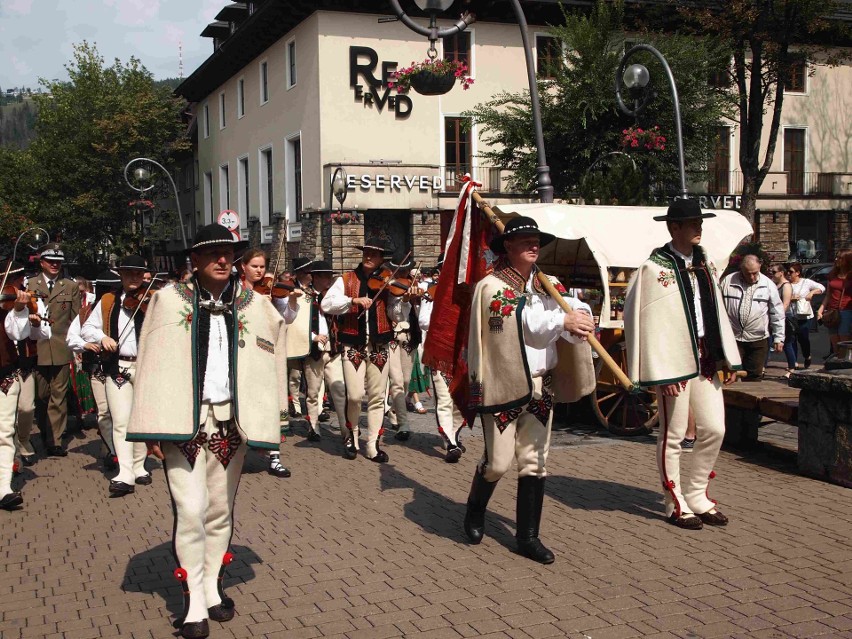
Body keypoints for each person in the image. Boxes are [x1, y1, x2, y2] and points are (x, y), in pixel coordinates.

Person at [127, 224, 288, 639]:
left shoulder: (253, 303)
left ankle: (213, 588)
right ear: (194, 260)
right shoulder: (167, 301)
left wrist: (269, 415)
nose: (222, 259)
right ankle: (193, 601)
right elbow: (151, 364)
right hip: (184, 425)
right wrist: (151, 428)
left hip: (232, 424)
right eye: (211, 253)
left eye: (227, 253)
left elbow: (274, 350)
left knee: (219, 512)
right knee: (191, 510)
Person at [463, 216, 596, 564]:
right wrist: (562, 320)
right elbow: (530, 328)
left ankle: (528, 537)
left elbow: (572, 310)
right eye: (525, 241)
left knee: (535, 462)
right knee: (497, 463)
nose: (534, 245)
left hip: (542, 383)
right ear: (507, 246)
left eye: (537, 240)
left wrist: (580, 317)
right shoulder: (492, 288)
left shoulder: (549, 283)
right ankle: (475, 507)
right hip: (503, 384)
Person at [624, 199, 741, 530]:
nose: (699, 227)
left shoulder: (705, 264)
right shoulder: (654, 269)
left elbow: (715, 312)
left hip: (705, 357)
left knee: (715, 428)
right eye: (692, 222)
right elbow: (646, 322)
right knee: (673, 435)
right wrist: (659, 372)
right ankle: (674, 501)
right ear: (674, 228)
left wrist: (725, 357)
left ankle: (698, 495)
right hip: (672, 363)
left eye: (699, 221)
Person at [321, 237, 411, 462]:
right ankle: (351, 435)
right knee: (354, 396)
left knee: (378, 397)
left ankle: (372, 444)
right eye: (367, 252)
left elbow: (395, 315)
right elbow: (326, 304)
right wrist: (353, 301)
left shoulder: (389, 280)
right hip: (354, 344)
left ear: (382, 258)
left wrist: (404, 301)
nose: (369, 257)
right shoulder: (347, 278)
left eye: (375, 254)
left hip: (380, 344)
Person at [81, 256, 154, 497]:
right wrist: (102, 337)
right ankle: (125, 472)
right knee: (121, 421)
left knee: (141, 421)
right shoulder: (108, 300)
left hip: (146, 367)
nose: (134, 277)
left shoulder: (154, 298)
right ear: (120, 274)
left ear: (144, 274)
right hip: (118, 366)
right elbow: (87, 328)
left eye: (138, 273)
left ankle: (140, 466)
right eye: (128, 273)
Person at [238, 247, 299, 477]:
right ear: (243, 267)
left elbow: (288, 319)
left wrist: (290, 300)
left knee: (272, 403)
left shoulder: (273, 291)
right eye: (254, 266)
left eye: (262, 267)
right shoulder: (236, 292)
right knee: (245, 404)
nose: (259, 271)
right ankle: (240, 453)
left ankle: (274, 457)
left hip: (268, 353)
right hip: (244, 354)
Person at [2, 261, 50, 509]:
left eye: (20, 277)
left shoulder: (23, 299)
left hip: (19, 366)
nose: (19, 283)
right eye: (14, 277)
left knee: (21, 413)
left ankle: (22, 443)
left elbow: (28, 335)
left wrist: (28, 318)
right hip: (10, 365)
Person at [27, 243, 81, 457]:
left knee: (58, 396)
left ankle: (55, 441)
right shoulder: (29, 284)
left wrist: (77, 347)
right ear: (42, 262)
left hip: (61, 347)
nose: (55, 265)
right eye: (51, 261)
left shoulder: (70, 286)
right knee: (41, 396)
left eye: (58, 262)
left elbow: (76, 319)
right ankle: (44, 431)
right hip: (37, 349)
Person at [418, 255, 466, 462]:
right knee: (444, 398)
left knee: (460, 398)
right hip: (440, 351)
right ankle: (450, 443)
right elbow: (423, 321)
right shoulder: (432, 293)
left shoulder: (465, 292)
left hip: (462, 352)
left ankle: (454, 433)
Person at [300, 260, 347, 440]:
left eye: (330, 275)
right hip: (314, 349)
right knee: (313, 391)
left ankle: (345, 429)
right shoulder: (305, 296)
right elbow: (297, 324)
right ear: (315, 277)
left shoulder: (333, 296)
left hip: (333, 348)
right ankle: (313, 426)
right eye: (325, 276)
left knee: (339, 390)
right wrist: (313, 336)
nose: (329, 279)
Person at [720, 254, 784, 380]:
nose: (751, 276)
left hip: (758, 339)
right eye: (747, 273)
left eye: (754, 273)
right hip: (732, 338)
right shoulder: (728, 281)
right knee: (728, 374)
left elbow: (777, 312)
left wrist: (779, 338)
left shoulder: (768, 284)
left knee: (754, 377)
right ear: (741, 269)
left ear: (760, 267)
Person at [385, 254, 420, 442]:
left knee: (406, 380)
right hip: (391, 337)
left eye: (406, 271)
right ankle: (403, 424)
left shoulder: (413, 287)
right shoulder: (389, 288)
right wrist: (404, 301)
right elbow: (392, 313)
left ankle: (393, 410)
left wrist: (415, 301)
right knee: (396, 381)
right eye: (400, 271)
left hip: (409, 337)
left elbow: (420, 318)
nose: (403, 275)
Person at [287, 257, 314, 419]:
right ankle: (295, 404)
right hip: (294, 334)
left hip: (310, 334)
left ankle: (315, 406)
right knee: (294, 375)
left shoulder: (313, 290)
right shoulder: (289, 289)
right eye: (307, 272)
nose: (311, 275)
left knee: (312, 376)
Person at [785, 262, 825, 370]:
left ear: (798, 273)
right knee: (791, 339)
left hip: (803, 315)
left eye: (791, 271)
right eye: (787, 271)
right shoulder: (786, 284)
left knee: (803, 339)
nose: (788, 273)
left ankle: (807, 356)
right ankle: (794, 362)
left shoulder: (806, 282)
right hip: (789, 315)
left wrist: (812, 293)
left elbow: (822, 288)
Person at [817, 249, 852, 356]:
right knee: (833, 337)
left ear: (847, 260)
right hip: (832, 311)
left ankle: (845, 362)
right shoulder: (832, 274)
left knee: (843, 337)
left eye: (840, 258)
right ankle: (838, 360)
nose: (836, 259)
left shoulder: (851, 276)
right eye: (836, 257)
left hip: (847, 311)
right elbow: (828, 294)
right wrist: (820, 310)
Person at [768, 264, 795, 377]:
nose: (772, 274)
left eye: (774, 272)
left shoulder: (786, 286)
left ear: (781, 273)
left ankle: (792, 369)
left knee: (787, 344)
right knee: (767, 342)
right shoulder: (774, 285)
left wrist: (778, 318)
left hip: (784, 318)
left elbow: (785, 304)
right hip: (772, 318)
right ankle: (762, 368)